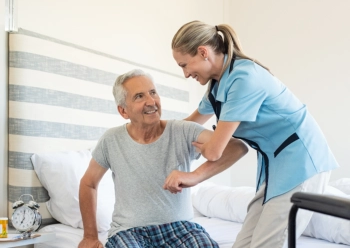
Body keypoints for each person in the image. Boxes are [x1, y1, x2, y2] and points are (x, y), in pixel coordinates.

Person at [171, 20, 339, 248]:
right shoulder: (217, 85)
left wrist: (193, 173)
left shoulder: (244, 78)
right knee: (243, 244)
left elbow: (214, 151)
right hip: (275, 165)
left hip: (301, 160)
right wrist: (151, 131)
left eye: (184, 65)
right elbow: (189, 124)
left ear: (203, 53)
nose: (185, 73)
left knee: (268, 244)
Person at [78, 69, 248, 248]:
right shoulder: (111, 139)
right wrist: (90, 236)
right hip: (129, 231)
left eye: (153, 93)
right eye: (139, 96)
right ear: (123, 111)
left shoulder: (183, 130)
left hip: (181, 229)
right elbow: (88, 183)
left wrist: (195, 176)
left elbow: (237, 148)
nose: (151, 101)